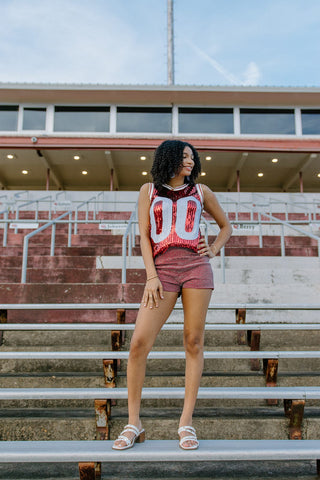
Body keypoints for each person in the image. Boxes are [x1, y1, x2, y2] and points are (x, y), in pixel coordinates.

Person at [113, 139, 232, 451]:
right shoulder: (147, 191)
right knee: (139, 343)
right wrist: (151, 276)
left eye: (192, 158)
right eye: (184, 157)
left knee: (193, 342)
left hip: (196, 268)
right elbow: (144, 236)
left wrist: (214, 249)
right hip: (162, 271)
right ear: (168, 159)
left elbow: (225, 226)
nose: (190, 162)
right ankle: (134, 422)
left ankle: (186, 422)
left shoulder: (201, 191)